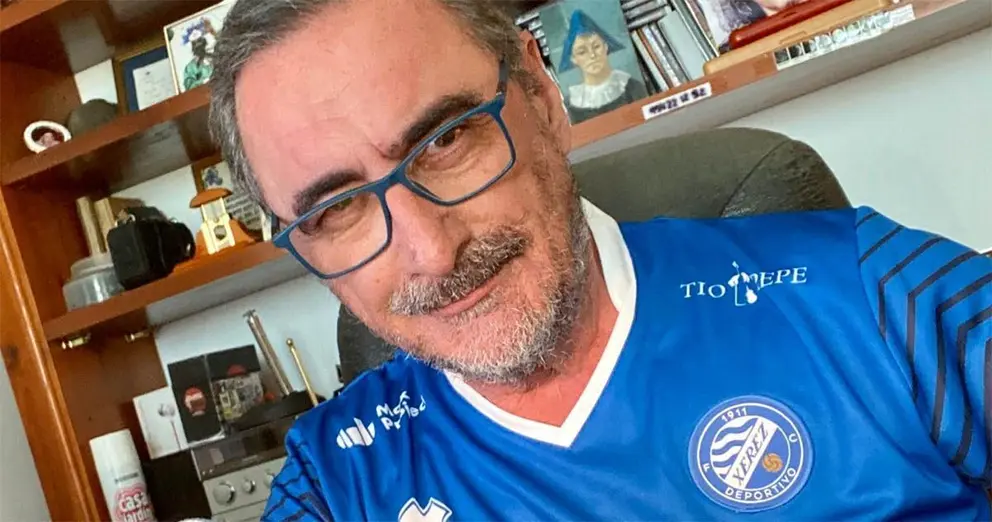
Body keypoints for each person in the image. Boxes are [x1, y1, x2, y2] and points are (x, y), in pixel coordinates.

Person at [208, 0, 992, 519]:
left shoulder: (875, 296)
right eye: (335, 210)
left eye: (445, 141)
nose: (431, 252)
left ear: (542, 94)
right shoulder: (336, 484)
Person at [557, 10, 646, 124]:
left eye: (596, 46)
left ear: (606, 47)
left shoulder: (632, 87)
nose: (592, 55)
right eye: (582, 52)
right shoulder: (571, 103)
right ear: (573, 59)